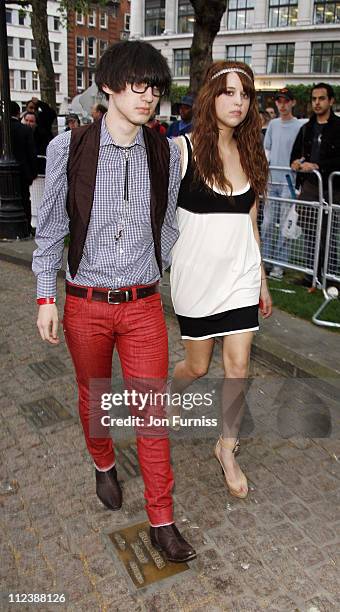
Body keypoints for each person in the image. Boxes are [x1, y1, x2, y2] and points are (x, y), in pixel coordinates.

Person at [32, 40, 196, 564]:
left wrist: (165, 270)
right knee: (93, 396)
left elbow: (167, 222)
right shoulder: (70, 148)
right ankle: (103, 460)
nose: (149, 96)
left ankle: (162, 519)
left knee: (153, 414)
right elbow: (52, 227)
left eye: (156, 87)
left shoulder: (164, 152)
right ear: (109, 86)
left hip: (144, 304)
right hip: (85, 302)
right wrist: (45, 295)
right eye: (137, 85)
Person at [170, 61, 272, 500]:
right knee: (198, 366)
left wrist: (262, 279)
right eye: (229, 92)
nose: (238, 102)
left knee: (237, 368)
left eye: (245, 94)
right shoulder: (181, 151)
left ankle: (226, 448)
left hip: (241, 275)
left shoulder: (251, 153)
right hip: (196, 276)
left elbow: (251, 222)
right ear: (211, 96)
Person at [291, 83, 340, 286]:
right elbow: (295, 155)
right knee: (310, 231)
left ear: (331, 101)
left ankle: (331, 277)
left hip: (333, 187)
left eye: (321, 98)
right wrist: (295, 163)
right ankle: (311, 274)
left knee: (329, 234)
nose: (317, 103)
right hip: (310, 188)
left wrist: (318, 165)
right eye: (314, 99)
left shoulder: (339, 127)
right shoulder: (306, 128)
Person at [262, 88, 301, 280]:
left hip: (288, 183)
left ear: (292, 103)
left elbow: (302, 152)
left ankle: (279, 265)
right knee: (267, 223)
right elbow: (267, 150)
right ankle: (266, 261)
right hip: (271, 181)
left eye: (286, 101)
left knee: (286, 224)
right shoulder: (273, 125)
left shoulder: (299, 125)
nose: (282, 105)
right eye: (279, 101)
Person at [2, 102, 38, 233]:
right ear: (18, 113)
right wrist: (32, 173)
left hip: (3, 172)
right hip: (22, 172)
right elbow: (31, 153)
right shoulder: (25, 130)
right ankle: (25, 228)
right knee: (24, 200)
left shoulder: (3, 128)